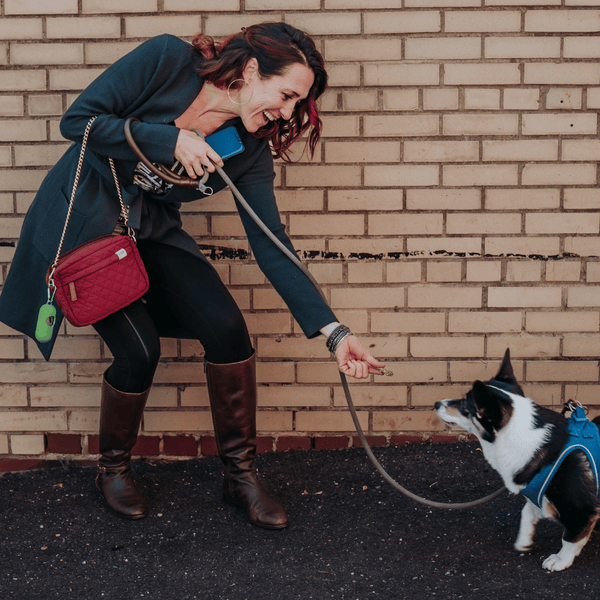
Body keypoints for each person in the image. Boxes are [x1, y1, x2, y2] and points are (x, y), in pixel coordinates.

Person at [0, 23, 385, 529]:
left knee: (228, 330)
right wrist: (169, 139)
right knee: (140, 352)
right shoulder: (165, 61)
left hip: (151, 234)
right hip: (88, 227)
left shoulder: (246, 148)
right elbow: (78, 122)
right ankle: (112, 469)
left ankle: (240, 476)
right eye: (286, 94)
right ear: (250, 71)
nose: (288, 111)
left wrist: (334, 333)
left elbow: (271, 243)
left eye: (297, 103)